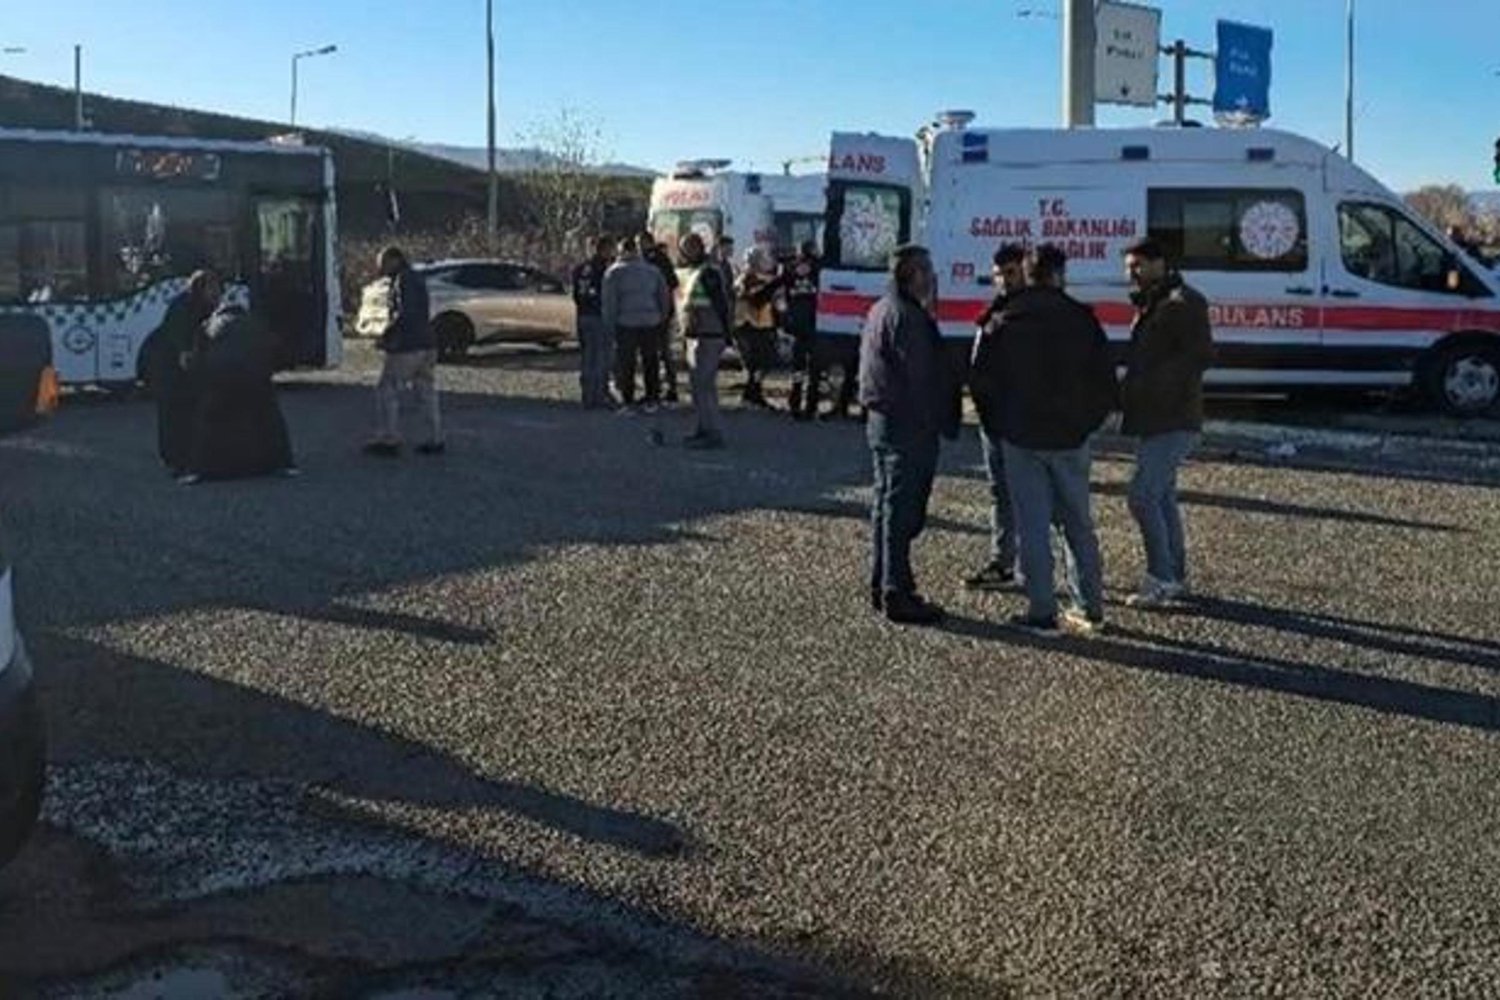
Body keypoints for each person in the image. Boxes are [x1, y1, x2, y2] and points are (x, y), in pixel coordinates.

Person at [990, 245, 1117, 634]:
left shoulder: (1006, 320)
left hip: (1022, 437)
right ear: (1061, 274)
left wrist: (1002, 425)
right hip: (1070, 437)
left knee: (1033, 527)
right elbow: (1105, 382)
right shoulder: (1083, 320)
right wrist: (1085, 424)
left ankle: (1042, 612)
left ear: (1028, 274)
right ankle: (1089, 605)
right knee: (1078, 524)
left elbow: (982, 381)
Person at [860, 245, 960, 626]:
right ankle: (895, 592)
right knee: (901, 510)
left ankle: (886, 582)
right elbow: (921, 378)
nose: (933, 278)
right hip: (907, 424)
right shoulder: (907, 317)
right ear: (913, 275)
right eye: (927, 271)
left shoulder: (882, 308)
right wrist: (938, 418)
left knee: (887, 505)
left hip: (883, 420)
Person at [1120, 238, 1214, 608]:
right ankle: (1173, 575)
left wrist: (1152, 385)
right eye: (1129, 266)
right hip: (1156, 415)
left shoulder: (1184, 302)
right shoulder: (1156, 300)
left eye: (1139, 265)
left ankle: (1160, 578)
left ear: (1160, 263)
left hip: (1172, 415)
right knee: (1161, 496)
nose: (1132, 273)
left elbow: (1201, 355)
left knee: (1142, 496)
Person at [963, 244, 1027, 591]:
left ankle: (1029, 566)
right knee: (1000, 493)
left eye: (1012, 272)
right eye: (999, 273)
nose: (1004, 279)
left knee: (1023, 494)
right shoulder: (994, 311)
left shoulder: (1025, 313)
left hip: (1013, 419)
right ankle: (1004, 560)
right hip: (993, 420)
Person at [182, 302, 297, 483]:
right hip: (255, 376)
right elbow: (275, 349)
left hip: (221, 377)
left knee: (208, 420)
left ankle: (197, 470)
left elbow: (198, 357)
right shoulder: (256, 323)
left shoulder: (209, 324)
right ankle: (284, 464)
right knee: (270, 419)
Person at [365, 246, 443, 457]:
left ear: (395, 260)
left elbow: (405, 314)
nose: (380, 269)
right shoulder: (417, 278)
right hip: (428, 343)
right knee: (426, 390)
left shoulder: (402, 281)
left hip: (408, 345)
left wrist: (386, 334)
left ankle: (389, 438)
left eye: (383, 263)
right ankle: (434, 437)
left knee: (386, 388)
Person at [153, 269, 222, 476]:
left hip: (183, 366)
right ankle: (175, 457)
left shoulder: (201, 304)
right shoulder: (182, 306)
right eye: (214, 289)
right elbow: (178, 334)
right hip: (170, 366)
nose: (217, 293)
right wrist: (185, 352)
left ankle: (186, 455)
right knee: (173, 412)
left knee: (186, 411)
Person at [677, 233, 734, 448]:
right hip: (696, 335)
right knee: (697, 386)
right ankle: (702, 428)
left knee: (704, 386)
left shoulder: (708, 272)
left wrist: (727, 335)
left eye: (689, 247)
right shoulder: (693, 271)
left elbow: (721, 304)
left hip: (708, 336)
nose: (686, 252)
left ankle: (713, 432)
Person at [602, 236, 672, 411]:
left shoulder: (614, 272)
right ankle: (652, 398)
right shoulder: (653, 271)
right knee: (651, 360)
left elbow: (610, 302)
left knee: (627, 362)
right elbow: (663, 296)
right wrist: (662, 317)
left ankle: (628, 399)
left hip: (626, 322)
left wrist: (609, 325)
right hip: (650, 321)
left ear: (621, 251)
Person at [779, 241, 822, 420]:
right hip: (814, 324)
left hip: (797, 324)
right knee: (814, 368)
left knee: (798, 367)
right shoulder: (819, 269)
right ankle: (810, 406)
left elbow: (781, 292)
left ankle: (795, 403)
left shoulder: (790, 270)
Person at [638, 232, 681, 404]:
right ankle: (666, 387)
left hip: (657, 311)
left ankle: (667, 387)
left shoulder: (654, 259)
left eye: (640, 242)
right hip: (660, 310)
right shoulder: (659, 259)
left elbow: (671, 283)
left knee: (660, 351)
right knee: (661, 351)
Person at [734, 247, 779, 408]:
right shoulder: (746, 279)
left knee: (763, 364)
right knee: (758, 364)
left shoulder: (762, 278)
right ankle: (752, 394)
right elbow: (752, 299)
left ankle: (753, 393)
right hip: (750, 325)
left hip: (762, 324)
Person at [572, 236, 614, 408]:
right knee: (601, 357)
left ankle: (586, 395)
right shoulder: (605, 269)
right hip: (599, 315)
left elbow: (576, 294)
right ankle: (598, 396)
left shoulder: (580, 268)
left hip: (583, 315)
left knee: (587, 357)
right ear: (605, 249)